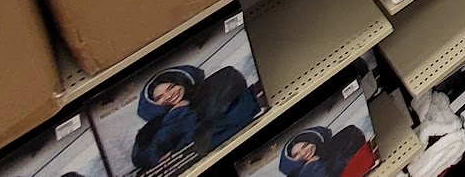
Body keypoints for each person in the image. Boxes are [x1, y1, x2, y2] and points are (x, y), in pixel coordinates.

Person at [131, 64, 261, 171]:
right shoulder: (152, 128)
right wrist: (177, 115)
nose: (169, 96)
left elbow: (216, 124)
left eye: (171, 87)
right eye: (159, 98)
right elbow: (142, 157)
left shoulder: (212, 87)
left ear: (182, 81)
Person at [278, 124, 375, 177]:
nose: (303, 153)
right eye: (296, 155)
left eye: (306, 145)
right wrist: (311, 167)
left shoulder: (335, 148)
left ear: (315, 140)